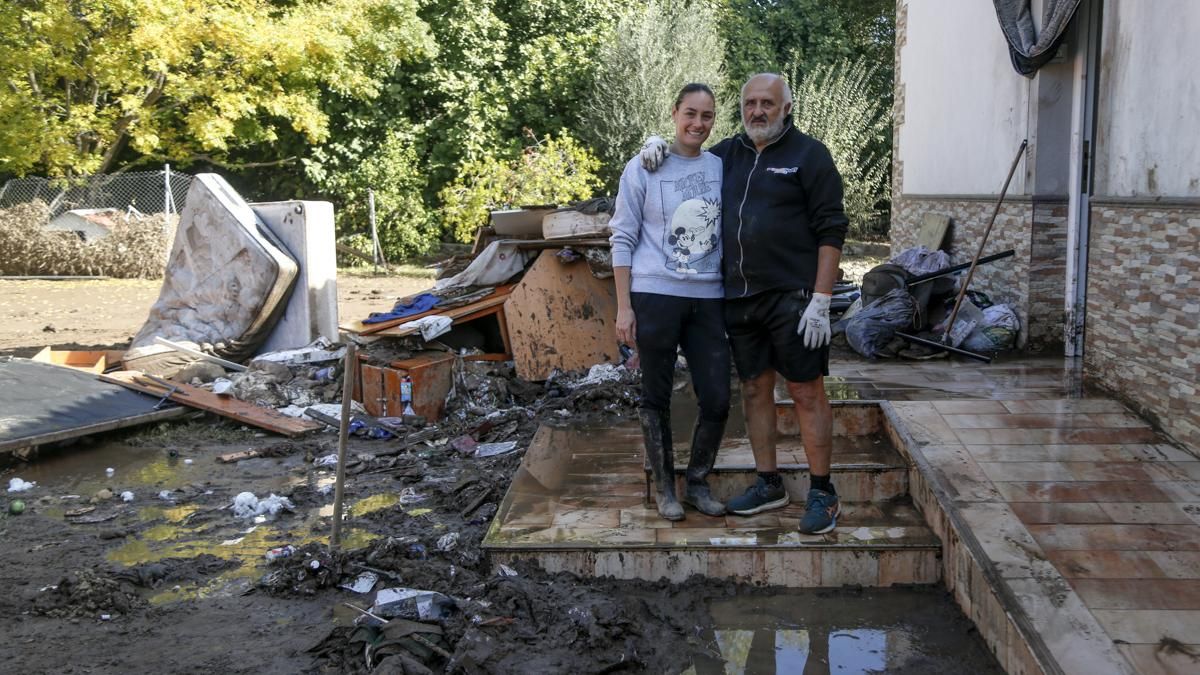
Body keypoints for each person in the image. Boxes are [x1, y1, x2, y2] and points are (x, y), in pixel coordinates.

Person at [642, 73, 848, 534]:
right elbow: (687, 160)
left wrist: (821, 298)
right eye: (750, 103)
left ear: (786, 108)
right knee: (755, 389)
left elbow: (832, 228)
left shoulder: (810, 156)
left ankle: (823, 491)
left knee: (806, 390)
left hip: (793, 298)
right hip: (738, 298)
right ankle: (768, 482)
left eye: (767, 104)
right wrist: (656, 145)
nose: (757, 111)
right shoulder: (726, 156)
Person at [609, 83, 730, 521]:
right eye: (690, 113)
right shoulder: (644, 166)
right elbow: (622, 236)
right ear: (675, 112)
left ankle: (697, 482)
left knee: (717, 397)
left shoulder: (721, 167)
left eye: (707, 115)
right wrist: (624, 307)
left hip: (708, 299)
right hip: (655, 295)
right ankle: (665, 489)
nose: (698, 123)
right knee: (655, 396)